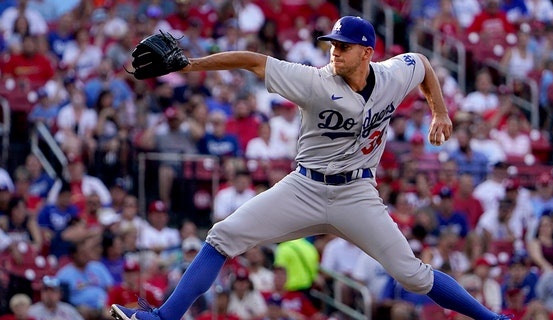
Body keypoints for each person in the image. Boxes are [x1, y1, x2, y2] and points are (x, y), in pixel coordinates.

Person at [111, 16, 510, 320]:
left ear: (367, 52)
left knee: (413, 276)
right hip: (305, 187)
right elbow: (252, 61)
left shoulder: (391, 76)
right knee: (222, 236)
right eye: (332, 44)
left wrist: (439, 111)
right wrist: (189, 65)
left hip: (356, 194)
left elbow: (422, 63)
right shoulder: (315, 81)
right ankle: (162, 317)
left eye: (344, 46)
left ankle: (492, 319)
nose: (334, 51)